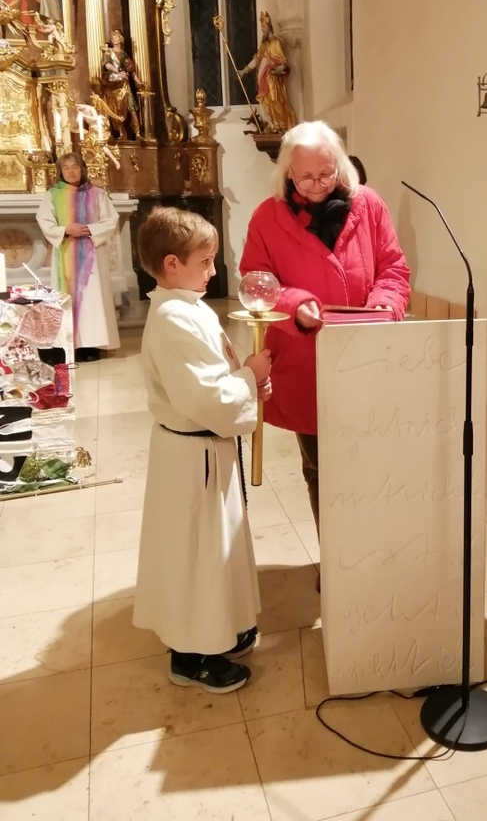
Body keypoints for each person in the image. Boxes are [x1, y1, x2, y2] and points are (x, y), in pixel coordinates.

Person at [239, 121, 410, 581]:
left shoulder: (369, 204)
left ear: (340, 166)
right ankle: (338, 562)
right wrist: (296, 305)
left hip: (367, 354)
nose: (317, 186)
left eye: (326, 174)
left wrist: (386, 304)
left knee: (371, 462)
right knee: (321, 466)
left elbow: (393, 268)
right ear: (288, 175)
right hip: (305, 357)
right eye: (306, 178)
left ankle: (376, 553)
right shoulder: (267, 217)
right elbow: (256, 282)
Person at [133, 207, 272, 693]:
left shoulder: (187, 306)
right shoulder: (173, 318)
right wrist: (249, 377)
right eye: (206, 261)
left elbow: (217, 375)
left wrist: (249, 382)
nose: (214, 270)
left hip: (206, 449)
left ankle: (219, 629)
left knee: (216, 545)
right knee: (196, 552)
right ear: (172, 264)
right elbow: (204, 397)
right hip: (192, 456)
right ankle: (191, 657)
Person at [36, 153, 120, 362]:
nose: (71, 171)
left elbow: (110, 220)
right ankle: (68, 345)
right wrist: (66, 230)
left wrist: (89, 229)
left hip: (92, 256)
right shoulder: (53, 195)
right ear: (60, 171)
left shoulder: (97, 194)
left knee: (92, 299)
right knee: (67, 298)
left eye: (75, 166)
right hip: (66, 253)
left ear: (82, 169)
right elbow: (45, 221)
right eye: (66, 167)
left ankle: (91, 345)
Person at [240, 11, 296, 133]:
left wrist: (281, 67)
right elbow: (256, 59)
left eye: (264, 27)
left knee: (275, 100)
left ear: (269, 27)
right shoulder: (263, 45)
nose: (262, 30)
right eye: (261, 27)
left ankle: (281, 124)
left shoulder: (276, 42)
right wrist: (244, 70)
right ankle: (273, 124)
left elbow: (283, 61)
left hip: (273, 78)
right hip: (264, 78)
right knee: (267, 101)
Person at [101, 29, 141, 139]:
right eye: (113, 36)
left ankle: (137, 132)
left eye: (116, 36)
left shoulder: (124, 55)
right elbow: (107, 65)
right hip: (112, 82)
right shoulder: (109, 52)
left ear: (121, 39)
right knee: (116, 109)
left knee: (131, 106)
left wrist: (139, 82)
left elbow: (131, 70)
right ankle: (121, 132)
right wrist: (118, 72)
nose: (114, 38)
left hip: (124, 84)